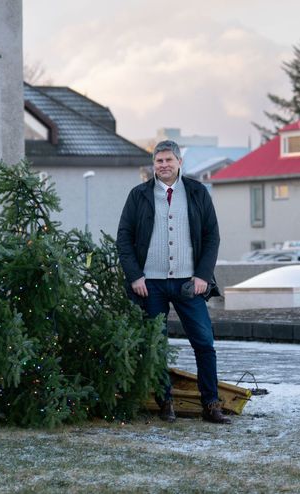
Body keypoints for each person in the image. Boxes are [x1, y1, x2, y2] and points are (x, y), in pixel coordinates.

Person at [116, 139, 230, 424]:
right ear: (153, 165)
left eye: (168, 160)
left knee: (204, 341)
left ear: (179, 162)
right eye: (159, 161)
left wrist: (203, 275)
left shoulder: (196, 192)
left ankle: (211, 404)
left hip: (189, 283)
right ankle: (164, 401)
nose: (163, 165)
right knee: (156, 344)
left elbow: (211, 236)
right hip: (149, 284)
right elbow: (124, 239)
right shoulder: (139, 195)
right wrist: (135, 277)